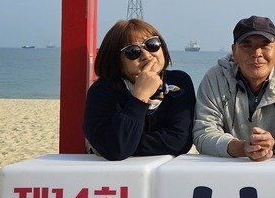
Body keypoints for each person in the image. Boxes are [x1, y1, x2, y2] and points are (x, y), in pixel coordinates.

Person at [193, 16, 275, 160]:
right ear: (234, 51)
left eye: (265, 45)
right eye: (247, 45)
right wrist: (242, 147)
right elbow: (203, 134)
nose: (257, 53)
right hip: (227, 169)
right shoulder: (215, 78)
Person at [83, 19, 195, 160]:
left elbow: (180, 141)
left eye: (152, 44)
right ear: (116, 61)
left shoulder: (179, 81)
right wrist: (139, 97)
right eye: (133, 51)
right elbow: (117, 148)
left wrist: (127, 142)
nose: (147, 55)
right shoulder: (102, 91)